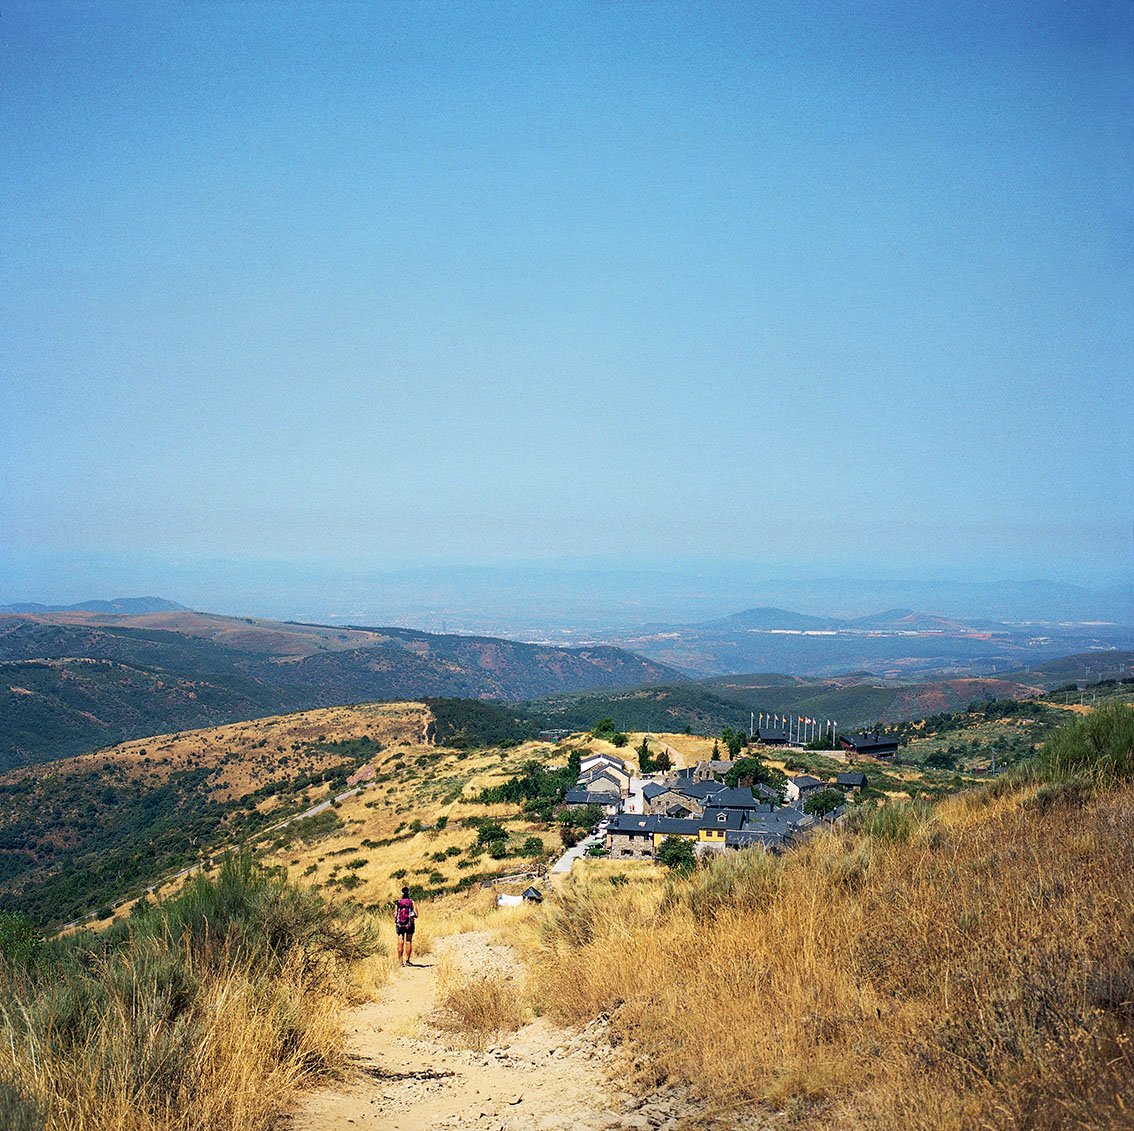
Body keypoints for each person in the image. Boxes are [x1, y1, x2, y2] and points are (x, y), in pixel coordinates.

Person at [394, 886, 417, 966]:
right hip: (410, 924)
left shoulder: (398, 902)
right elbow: (416, 914)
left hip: (400, 924)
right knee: (408, 941)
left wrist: (396, 922)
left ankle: (400, 961)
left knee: (400, 942)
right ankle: (407, 961)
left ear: (402, 893)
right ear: (409, 893)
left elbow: (395, 914)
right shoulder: (412, 902)